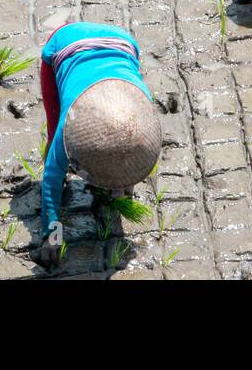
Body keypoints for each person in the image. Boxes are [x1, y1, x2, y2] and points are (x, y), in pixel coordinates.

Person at [37, 22, 162, 267]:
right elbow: (50, 180)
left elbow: (137, 148)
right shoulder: (69, 128)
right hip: (64, 45)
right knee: (53, 129)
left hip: (122, 44)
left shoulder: (142, 109)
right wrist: (51, 234)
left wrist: (126, 184)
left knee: (129, 138)